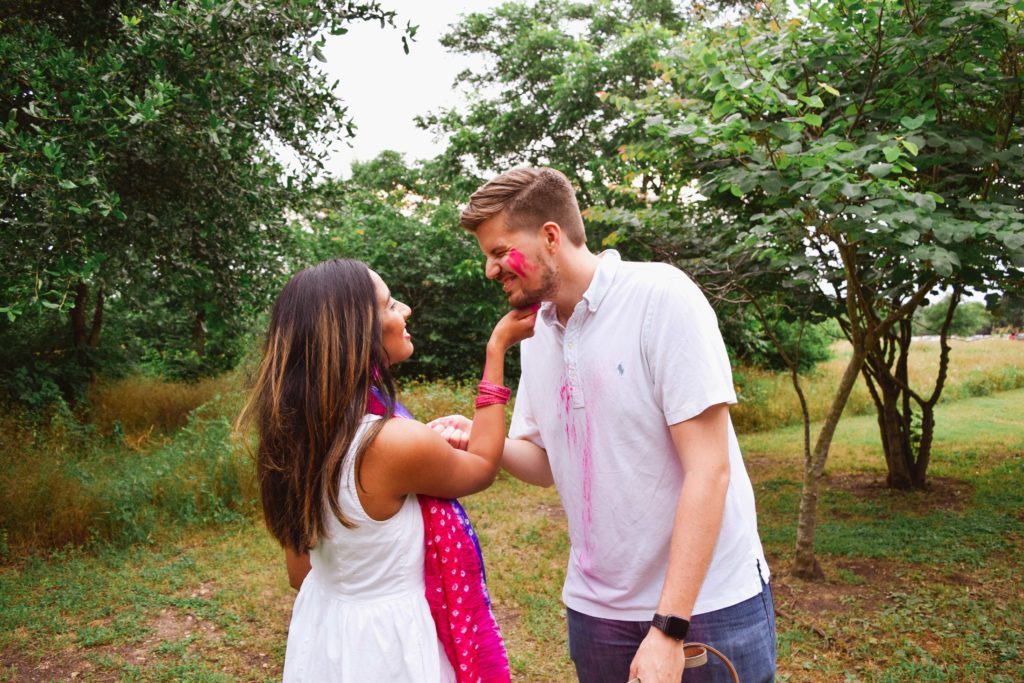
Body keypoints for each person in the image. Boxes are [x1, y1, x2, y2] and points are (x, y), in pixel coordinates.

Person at [434, 167, 776, 683]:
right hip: (597, 613)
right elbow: (545, 463)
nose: (490, 269)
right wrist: (489, 442)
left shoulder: (660, 297)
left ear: (550, 236)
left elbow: (710, 472)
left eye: (500, 251)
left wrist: (668, 627)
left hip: (707, 604)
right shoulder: (540, 332)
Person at [237, 258, 536, 682]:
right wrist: (497, 350)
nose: (406, 310)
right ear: (356, 332)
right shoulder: (391, 441)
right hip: (389, 643)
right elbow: (483, 466)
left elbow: (298, 572)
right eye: (391, 304)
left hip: (325, 631)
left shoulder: (294, 434)